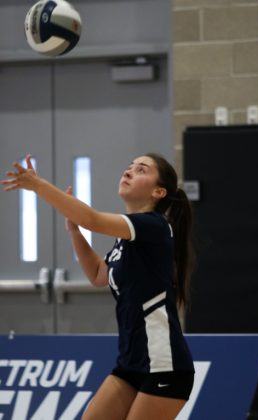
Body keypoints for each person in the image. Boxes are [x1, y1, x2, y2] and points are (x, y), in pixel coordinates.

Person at [1, 152, 195, 420]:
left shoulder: (154, 226)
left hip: (164, 365)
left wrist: (38, 185)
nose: (129, 171)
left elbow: (92, 219)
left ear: (159, 191)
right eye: (129, 166)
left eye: (141, 170)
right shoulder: (127, 238)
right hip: (130, 363)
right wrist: (74, 231)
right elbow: (97, 275)